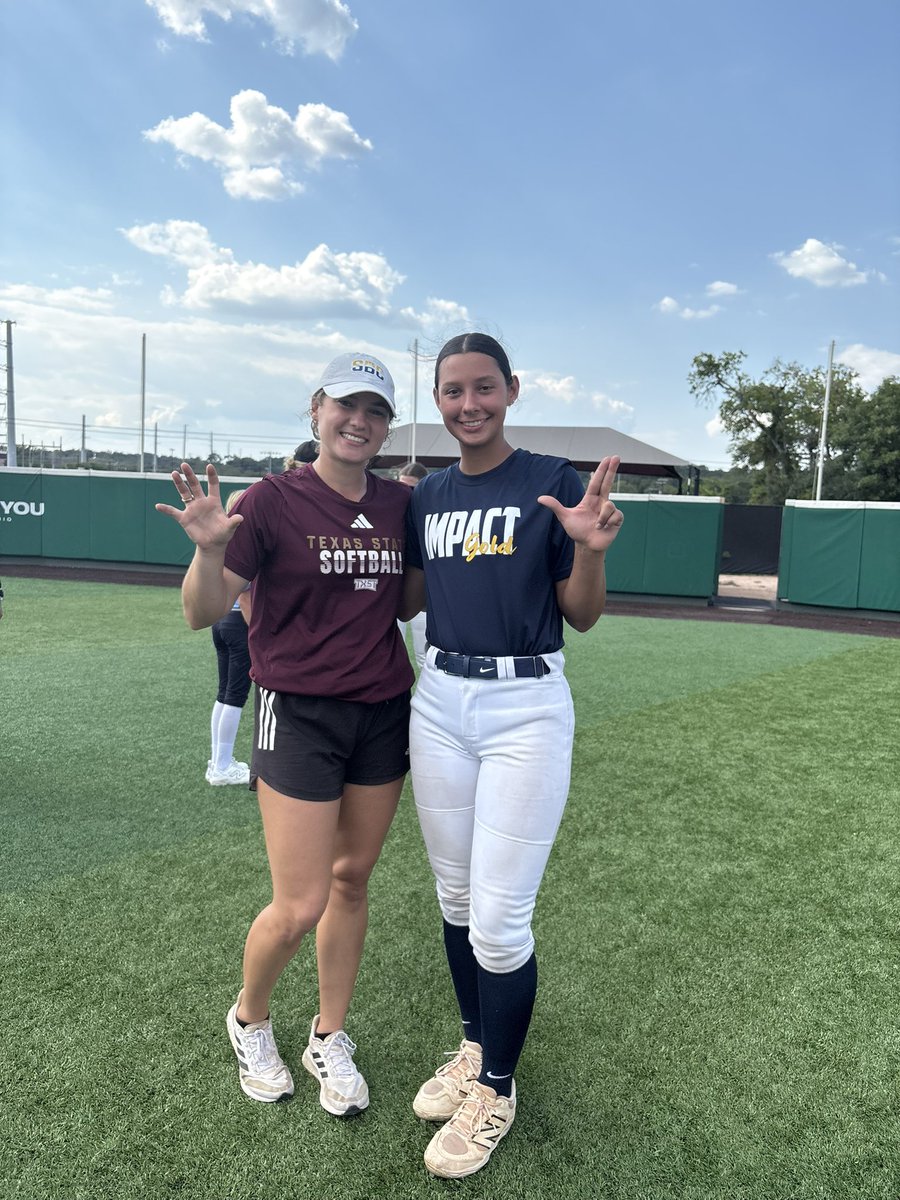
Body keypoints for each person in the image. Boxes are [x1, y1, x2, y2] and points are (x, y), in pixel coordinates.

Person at [156, 352, 414, 1116]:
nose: (358, 421)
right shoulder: (270, 501)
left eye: (375, 410)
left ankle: (329, 1034)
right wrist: (208, 549)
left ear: (387, 424)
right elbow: (202, 612)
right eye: (345, 405)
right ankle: (250, 1017)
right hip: (297, 712)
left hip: (381, 712)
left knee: (351, 882)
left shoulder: (401, 507)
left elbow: (405, 606)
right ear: (316, 409)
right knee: (298, 904)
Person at [399, 332, 624, 1179]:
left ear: (512, 390)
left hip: (526, 704)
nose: (468, 404)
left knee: (499, 921)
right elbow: (410, 593)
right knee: (455, 897)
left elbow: (584, 613)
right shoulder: (428, 496)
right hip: (441, 697)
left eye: (483, 388)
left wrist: (591, 553)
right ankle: (473, 1045)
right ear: (440, 400)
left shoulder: (551, 482)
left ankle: (498, 1084)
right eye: (452, 391)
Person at [206, 489, 252, 786]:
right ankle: (222, 766)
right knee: (234, 696)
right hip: (238, 623)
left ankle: (219, 762)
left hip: (221, 621)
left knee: (224, 694)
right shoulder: (245, 542)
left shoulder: (223, 541)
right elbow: (247, 590)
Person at [395, 461, 428, 669]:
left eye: (412, 488)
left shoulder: (429, 515)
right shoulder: (389, 515)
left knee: (423, 654)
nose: (407, 493)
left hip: (420, 592)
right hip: (394, 594)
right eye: (402, 486)